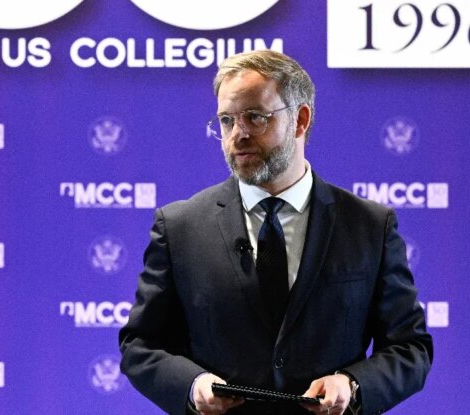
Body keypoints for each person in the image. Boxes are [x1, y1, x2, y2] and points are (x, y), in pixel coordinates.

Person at [118, 50, 432, 415]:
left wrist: (353, 384)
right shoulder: (180, 227)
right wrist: (192, 385)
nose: (237, 135)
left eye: (255, 117)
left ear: (300, 120)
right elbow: (140, 345)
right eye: (226, 121)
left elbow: (410, 348)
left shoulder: (369, 226)